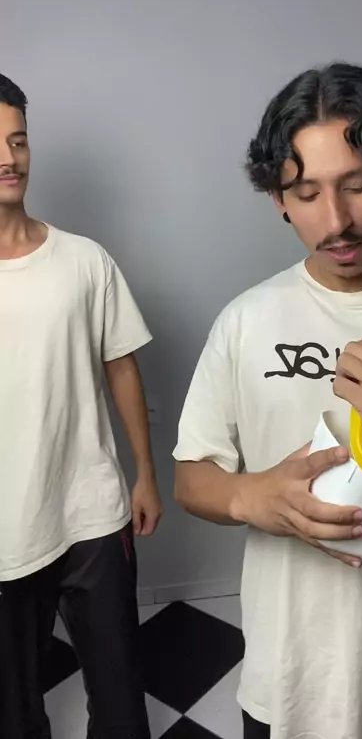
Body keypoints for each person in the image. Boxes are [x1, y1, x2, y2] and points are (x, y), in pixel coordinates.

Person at [173, 62, 362, 739]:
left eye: (358, 185)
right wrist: (251, 497)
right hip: (291, 689)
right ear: (279, 199)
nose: (335, 221)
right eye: (306, 193)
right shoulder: (244, 320)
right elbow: (192, 478)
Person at [0, 73, 162, 739]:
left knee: (121, 700)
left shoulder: (84, 260)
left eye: (18, 141)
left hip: (92, 511)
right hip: (8, 528)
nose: (9, 158)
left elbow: (120, 365)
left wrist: (144, 474)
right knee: (15, 714)